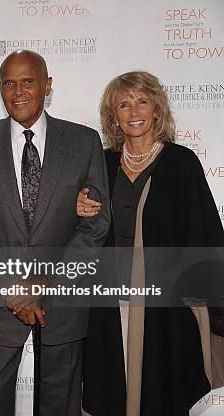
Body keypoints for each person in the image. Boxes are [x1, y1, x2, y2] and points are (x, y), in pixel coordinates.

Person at [0, 50, 110, 416]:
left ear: (47, 85)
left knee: (61, 403)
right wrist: (12, 289)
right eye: (9, 82)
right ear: (0, 88)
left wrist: (43, 285)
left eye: (28, 81)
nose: (18, 90)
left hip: (62, 299)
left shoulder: (84, 142)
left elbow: (96, 223)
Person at [78, 71, 224, 415]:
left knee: (163, 391)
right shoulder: (102, 162)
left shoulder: (181, 162)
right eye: (124, 105)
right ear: (113, 117)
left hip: (166, 305)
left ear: (157, 109)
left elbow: (205, 231)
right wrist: (78, 207)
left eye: (142, 101)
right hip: (110, 302)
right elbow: (84, 227)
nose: (134, 112)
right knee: (113, 388)